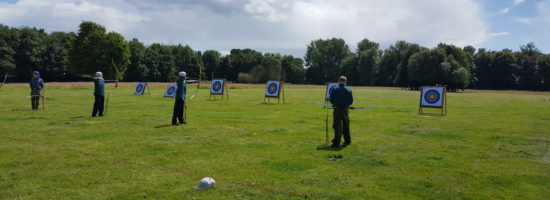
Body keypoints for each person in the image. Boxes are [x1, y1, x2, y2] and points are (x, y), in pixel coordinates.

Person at [329, 76, 354, 148]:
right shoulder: (349, 89)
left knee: (337, 126)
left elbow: (331, 99)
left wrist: (334, 104)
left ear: (338, 81)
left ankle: (336, 143)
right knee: (346, 125)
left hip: (337, 110)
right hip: (345, 110)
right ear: (345, 82)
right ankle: (347, 141)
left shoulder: (334, 88)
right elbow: (351, 101)